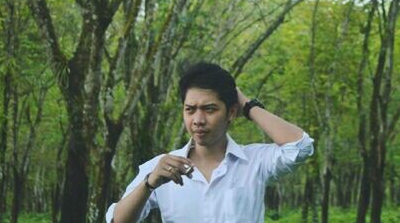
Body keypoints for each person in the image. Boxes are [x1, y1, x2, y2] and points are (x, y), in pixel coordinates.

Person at [106, 61, 314, 223]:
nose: (198, 120)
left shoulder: (254, 161)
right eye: (190, 109)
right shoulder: (162, 167)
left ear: (231, 112)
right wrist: (149, 184)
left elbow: (300, 146)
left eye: (210, 109)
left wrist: (248, 106)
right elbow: (116, 221)